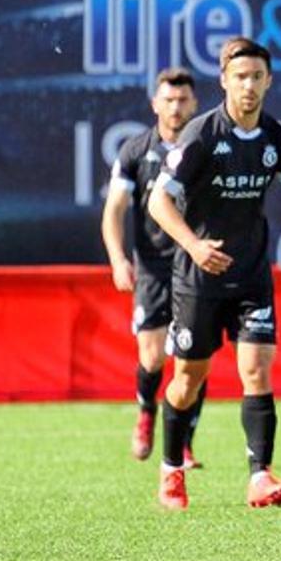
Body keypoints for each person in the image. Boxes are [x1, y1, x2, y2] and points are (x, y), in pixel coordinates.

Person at [147, 38, 281, 510]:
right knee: (188, 379)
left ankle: (260, 476)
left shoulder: (277, 137)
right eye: (239, 76)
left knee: (257, 371)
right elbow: (158, 201)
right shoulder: (201, 135)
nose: (248, 85)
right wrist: (194, 246)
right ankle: (170, 470)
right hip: (198, 278)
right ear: (224, 80)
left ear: (268, 81)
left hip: (250, 274)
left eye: (256, 76)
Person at [100, 67, 207, 466]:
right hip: (153, 266)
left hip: (196, 264)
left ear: (194, 103)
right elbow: (114, 210)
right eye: (169, 99)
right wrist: (117, 257)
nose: (176, 107)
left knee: (193, 356)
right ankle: (146, 412)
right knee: (152, 356)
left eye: (183, 100)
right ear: (155, 103)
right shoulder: (134, 151)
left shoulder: (206, 147)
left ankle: (183, 442)